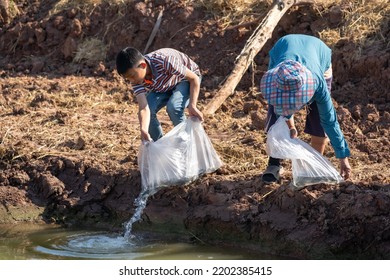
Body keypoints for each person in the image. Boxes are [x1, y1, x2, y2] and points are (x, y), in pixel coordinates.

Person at [259, 34, 352, 184]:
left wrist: (343, 158)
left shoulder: (318, 85)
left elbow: (330, 122)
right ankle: (274, 163)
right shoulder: (277, 76)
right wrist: (291, 125)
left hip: (319, 54)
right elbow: (280, 104)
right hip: (284, 46)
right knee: (276, 115)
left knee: (318, 120)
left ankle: (313, 166)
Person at [116, 47, 204, 142]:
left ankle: (188, 143)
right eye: (128, 78)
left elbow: (194, 78)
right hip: (165, 85)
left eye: (132, 76)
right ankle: (160, 145)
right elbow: (143, 108)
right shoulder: (136, 80)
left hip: (185, 79)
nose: (132, 81)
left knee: (174, 106)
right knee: (149, 111)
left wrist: (192, 105)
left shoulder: (164, 61)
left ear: (143, 65)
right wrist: (144, 129)